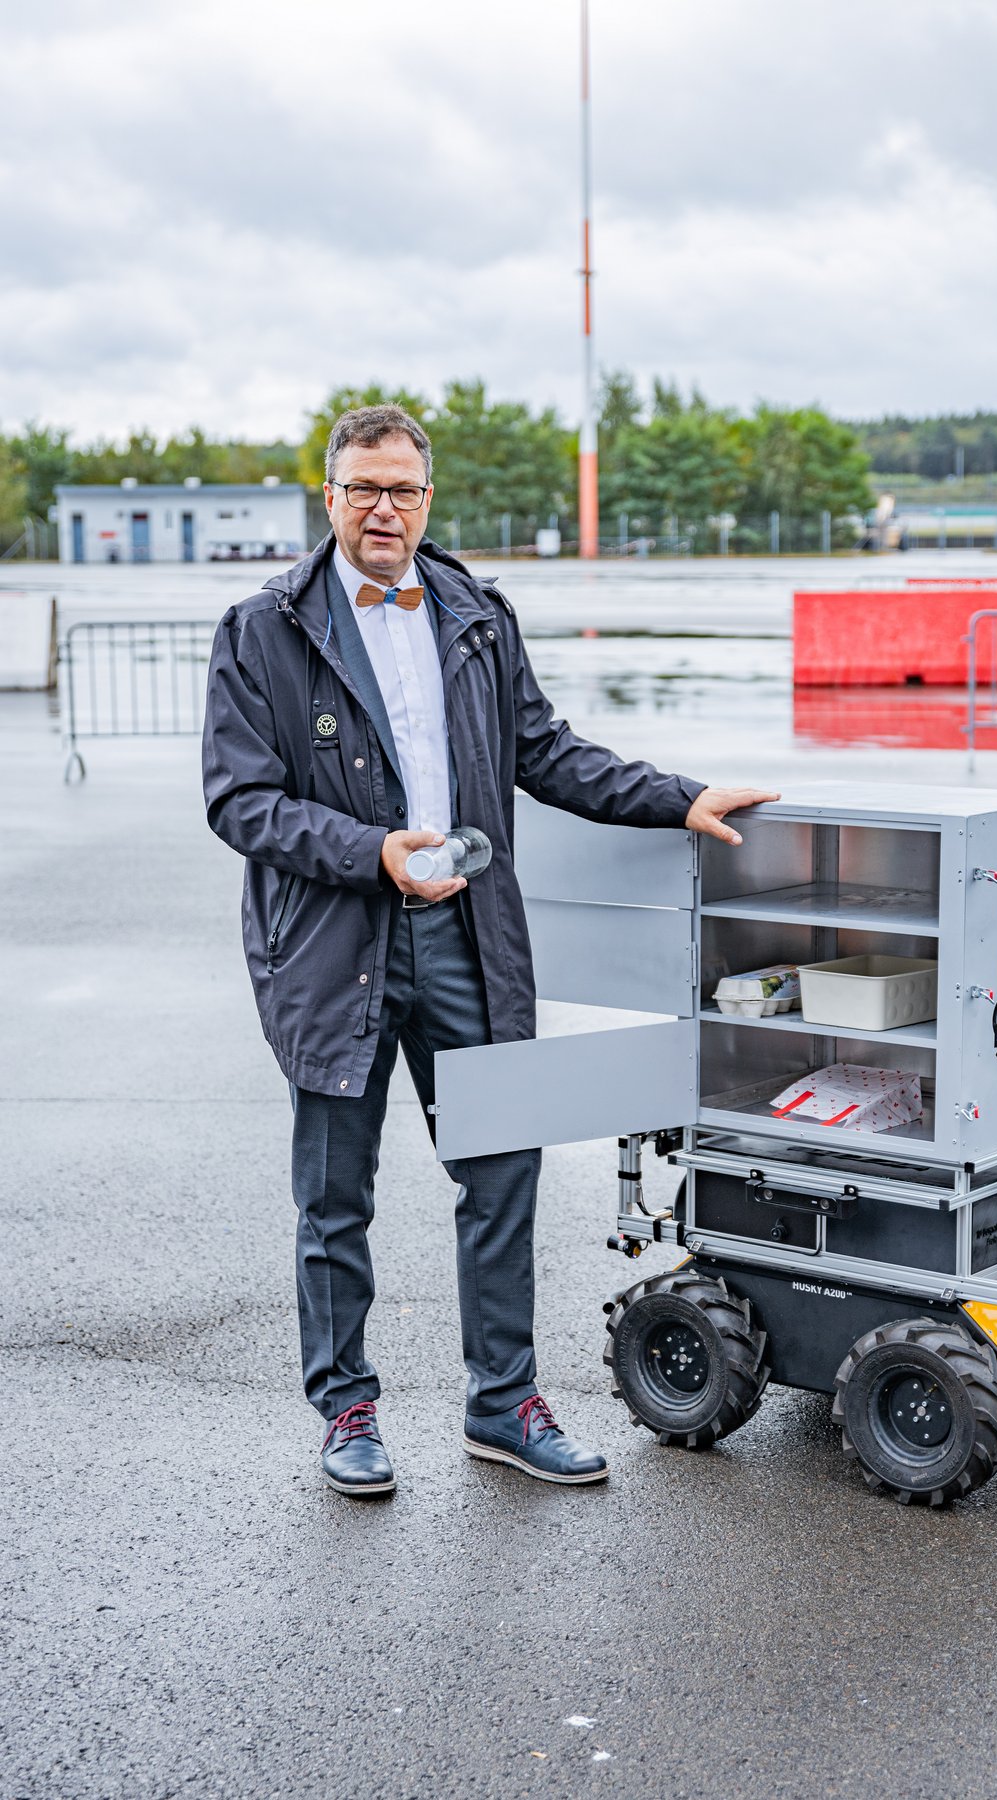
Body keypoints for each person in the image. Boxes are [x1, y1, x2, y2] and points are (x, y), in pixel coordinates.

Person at [202, 404, 777, 1497]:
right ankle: (348, 1410)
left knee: (503, 1174)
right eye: (364, 489)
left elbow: (545, 750)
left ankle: (502, 1403)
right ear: (328, 497)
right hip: (336, 947)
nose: (385, 509)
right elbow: (240, 802)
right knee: (335, 1195)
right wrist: (374, 852)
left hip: (466, 937)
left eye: (404, 490)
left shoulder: (472, 614)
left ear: (429, 497)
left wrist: (680, 796)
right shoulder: (265, 628)